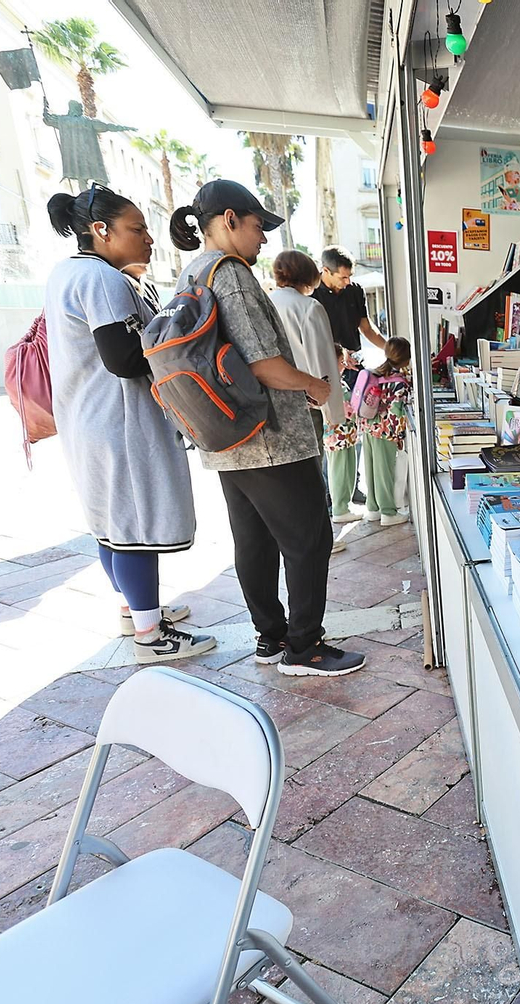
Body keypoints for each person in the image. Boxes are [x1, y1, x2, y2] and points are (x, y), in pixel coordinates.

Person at [169, 180, 365, 677]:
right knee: (308, 539)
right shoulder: (230, 274)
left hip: (225, 435)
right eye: (258, 226)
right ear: (230, 219)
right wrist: (316, 388)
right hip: (270, 437)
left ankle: (270, 637)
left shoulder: (189, 272)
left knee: (253, 540)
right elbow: (264, 364)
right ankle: (304, 647)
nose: (263, 239)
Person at [41, 184, 214, 663]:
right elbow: (124, 358)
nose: (148, 239)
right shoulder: (103, 279)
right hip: (118, 422)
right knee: (135, 525)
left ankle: (135, 610)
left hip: (86, 417)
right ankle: (150, 636)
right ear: (101, 230)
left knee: (110, 524)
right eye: (137, 230)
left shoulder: (66, 273)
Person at [268, 250, 351, 544]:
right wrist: (334, 412)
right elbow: (322, 362)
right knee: (312, 474)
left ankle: (294, 538)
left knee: (286, 478)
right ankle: (318, 538)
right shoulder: (309, 307)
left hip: (271, 403)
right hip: (307, 402)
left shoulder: (266, 303)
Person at [312, 246, 386, 506]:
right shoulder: (312, 293)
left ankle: (351, 487)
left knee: (355, 432)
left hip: (357, 368)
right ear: (325, 271)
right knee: (331, 436)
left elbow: (365, 327)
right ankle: (331, 495)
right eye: (342, 277)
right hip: (326, 370)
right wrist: (338, 356)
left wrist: (389, 348)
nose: (348, 281)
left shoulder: (355, 290)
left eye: (350, 276)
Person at [356, 337, 414, 526]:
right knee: (384, 471)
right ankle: (388, 512)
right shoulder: (400, 383)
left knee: (371, 469)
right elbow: (397, 411)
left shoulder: (377, 373)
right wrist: (399, 435)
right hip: (385, 431)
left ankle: (373, 508)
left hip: (368, 427)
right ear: (407, 358)